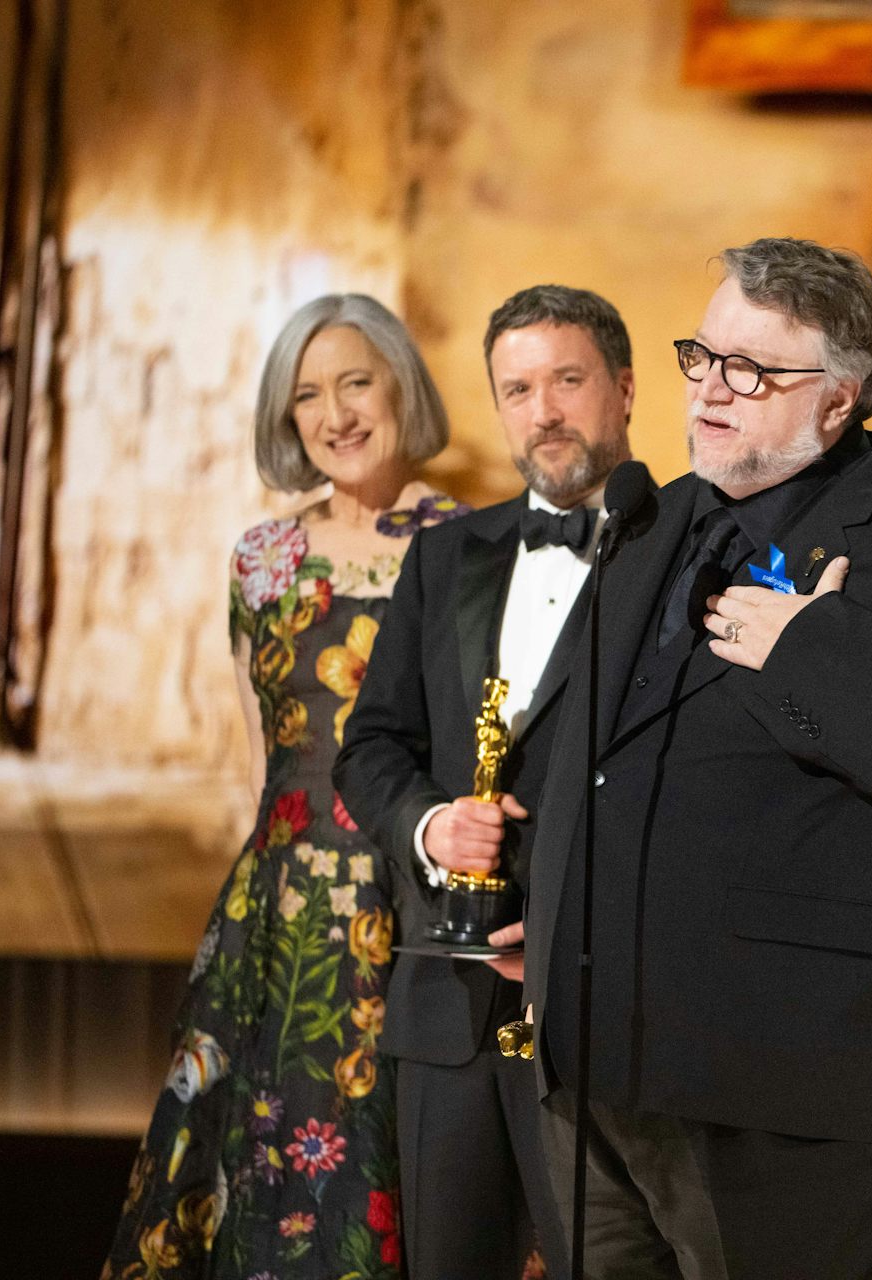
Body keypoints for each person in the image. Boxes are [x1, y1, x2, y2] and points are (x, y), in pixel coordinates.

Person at [518, 237, 872, 1277]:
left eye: (755, 371)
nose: (714, 391)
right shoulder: (658, 513)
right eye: (705, 357)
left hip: (803, 1093)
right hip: (611, 1066)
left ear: (839, 401)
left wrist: (813, 649)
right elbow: (594, 753)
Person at [106, 294, 466, 1280]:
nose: (335, 413)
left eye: (357, 381)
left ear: (401, 386)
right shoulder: (260, 561)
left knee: (396, 1185)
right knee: (254, 1187)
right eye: (307, 394)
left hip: (413, 911)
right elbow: (254, 755)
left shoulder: (469, 546)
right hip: (277, 922)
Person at [337, 285, 636, 1276]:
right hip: (445, 1009)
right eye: (517, 387)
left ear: (625, 389)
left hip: (606, 1017)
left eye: (567, 379)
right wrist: (428, 826)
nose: (542, 409)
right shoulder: (442, 556)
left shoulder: (686, 552)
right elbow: (371, 745)